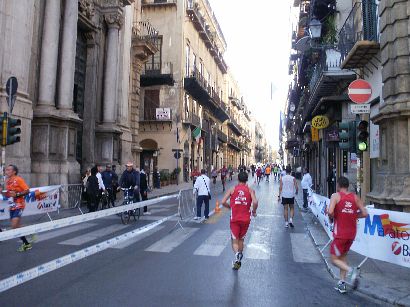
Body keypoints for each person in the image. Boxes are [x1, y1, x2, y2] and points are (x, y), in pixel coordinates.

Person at [327, 176, 368, 293]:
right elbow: (365, 213)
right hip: (351, 234)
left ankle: (352, 271)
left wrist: (332, 216)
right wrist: (354, 215)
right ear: (348, 186)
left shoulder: (336, 196)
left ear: (338, 185)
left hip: (340, 234)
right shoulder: (355, 197)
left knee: (334, 259)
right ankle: (342, 284)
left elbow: (330, 212)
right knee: (343, 257)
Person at [222, 171, 258, 270]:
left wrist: (230, 207)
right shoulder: (250, 190)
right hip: (246, 219)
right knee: (241, 239)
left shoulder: (232, 189)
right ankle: (238, 260)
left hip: (235, 219)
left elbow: (223, 202)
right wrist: (254, 211)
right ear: (246, 180)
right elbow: (255, 202)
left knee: (234, 241)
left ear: (238, 179)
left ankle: (237, 255)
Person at [2, 165, 32, 252]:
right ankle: (28, 238)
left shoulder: (18, 179)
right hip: (12, 205)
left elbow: (27, 190)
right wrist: (5, 194)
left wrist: (17, 195)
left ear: (14, 171)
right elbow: (9, 193)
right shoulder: (7, 181)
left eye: (8, 170)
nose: (6, 171)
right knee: (15, 227)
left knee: (15, 225)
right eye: (6, 170)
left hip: (19, 205)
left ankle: (26, 243)